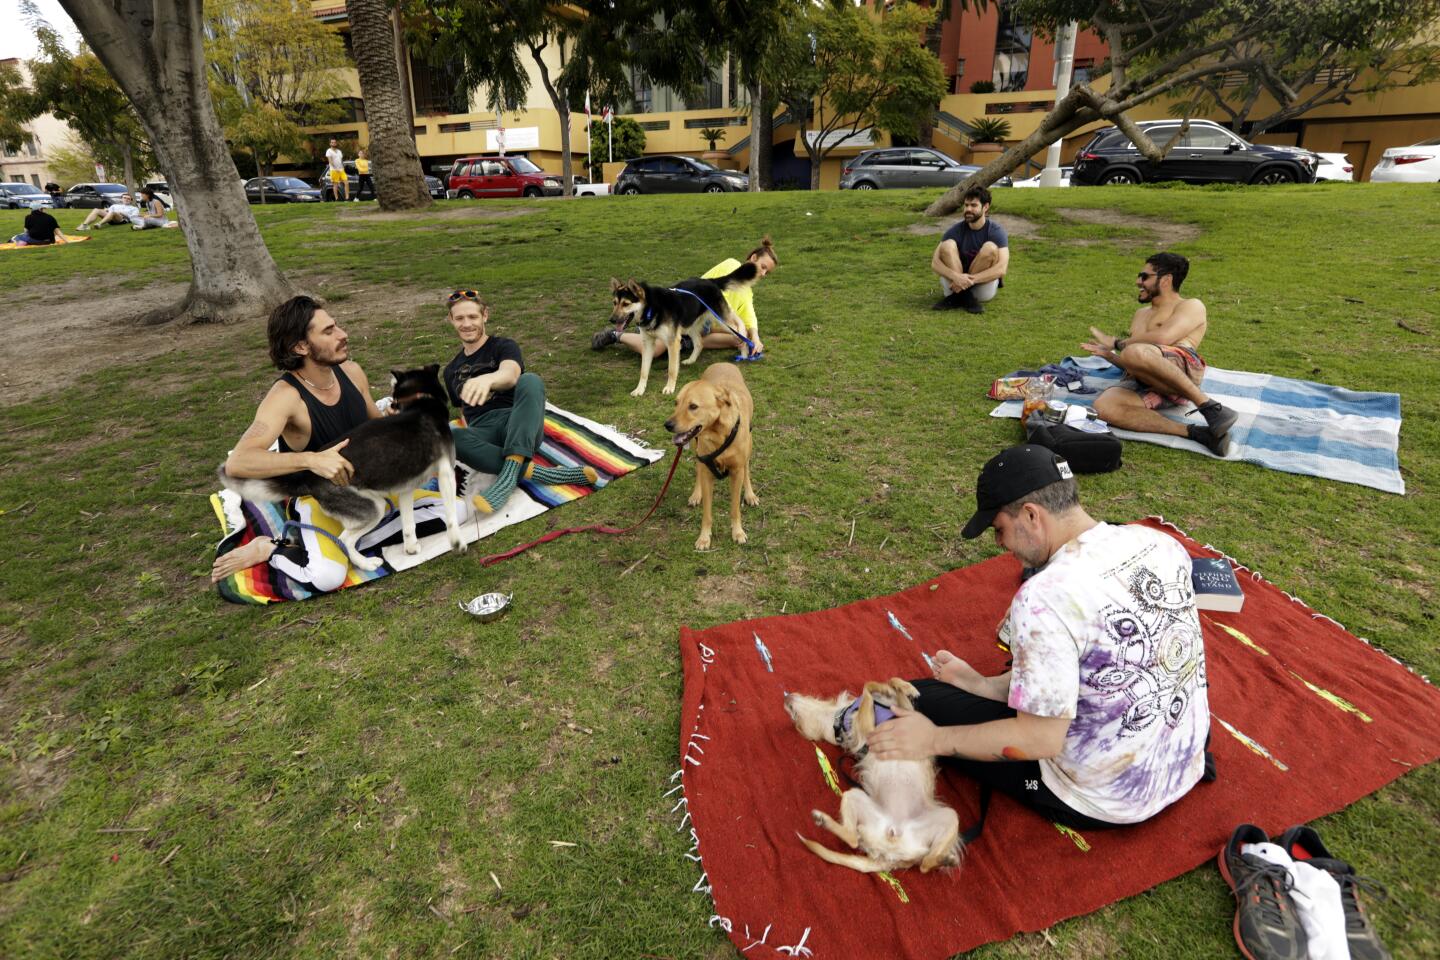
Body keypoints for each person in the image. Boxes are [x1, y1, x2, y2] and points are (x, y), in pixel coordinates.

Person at [867, 444, 1211, 832]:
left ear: (1031, 515)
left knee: (918, 699)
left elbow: (1039, 741)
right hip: (1185, 761)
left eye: (999, 530)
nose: (1000, 544)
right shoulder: (1158, 542)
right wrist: (981, 685)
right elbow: (1107, 670)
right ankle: (983, 687)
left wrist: (932, 740)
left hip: (1102, 800)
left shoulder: (1044, 596)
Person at [210, 296, 380, 585]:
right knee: (327, 576)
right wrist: (312, 459)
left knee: (457, 510)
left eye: (336, 326)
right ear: (301, 346)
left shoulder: (352, 372)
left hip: (363, 488)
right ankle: (270, 547)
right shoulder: (286, 397)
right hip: (317, 495)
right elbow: (238, 461)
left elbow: (376, 423)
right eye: (328, 331)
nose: (343, 334)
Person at [445, 289, 597, 513]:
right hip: (483, 432)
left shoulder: (503, 346)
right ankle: (542, 473)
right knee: (448, 437)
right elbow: (462, 413)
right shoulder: (450, 370)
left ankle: (507, 477)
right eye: (459, 318)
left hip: (517, 424)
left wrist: (489, 380)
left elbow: (511, 374)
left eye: (472, 317)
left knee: (531, 380)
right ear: (451, 320)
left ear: (485, 315)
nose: (467, 324)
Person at [1081, 252, 1237, 456]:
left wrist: (1118, 343)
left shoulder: (1190, 305)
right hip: (1148, 383)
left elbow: (1163, 337)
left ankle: (1210, 408)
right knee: (1103, 407)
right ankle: (1198, 434)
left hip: (1182, 374)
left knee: (1133, 350)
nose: (1138, 281)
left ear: (1165, 279)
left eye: (1144, 276)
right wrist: (1110, 356)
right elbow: (1136, 361)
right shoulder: (1140, 314)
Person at [591, 237, 778, 358]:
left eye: (766, 272)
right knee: (656, 350)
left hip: (707, 324)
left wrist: (756, 338)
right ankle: (616, 335)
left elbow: (750, 317)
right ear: (753, 258)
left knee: (739, 337)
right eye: (762, 267)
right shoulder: (732, 265)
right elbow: (712, 294)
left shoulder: (748, 291)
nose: (763, 274)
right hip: (689, 311)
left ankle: (688, 342)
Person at [931, 185, 1009, 313]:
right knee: (946, 245)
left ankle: (957, 297)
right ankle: (966, 298)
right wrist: (956, 277)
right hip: (955, 282)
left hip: (981, 285)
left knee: (990, 248)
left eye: (973, 205)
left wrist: (968, 281)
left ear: (985, 207)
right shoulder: (955, 230)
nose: (968, 209)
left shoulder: (996, 231)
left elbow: (1001, 269)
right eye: (966, 205)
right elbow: (935, 262)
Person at [74, 192, 142, 230]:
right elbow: (108, 212)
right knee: (96, 210)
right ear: (121, 199)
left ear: (131, 200)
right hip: (110, 218)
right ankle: (85, 225)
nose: (126, 199)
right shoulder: (115, 205)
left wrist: (122, 213)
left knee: (113, 212)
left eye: (128, 199)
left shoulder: (134, 208)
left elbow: (133, 217)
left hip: (122, 220)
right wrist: (105, 210)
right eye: (124, 198)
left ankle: (99, 224)